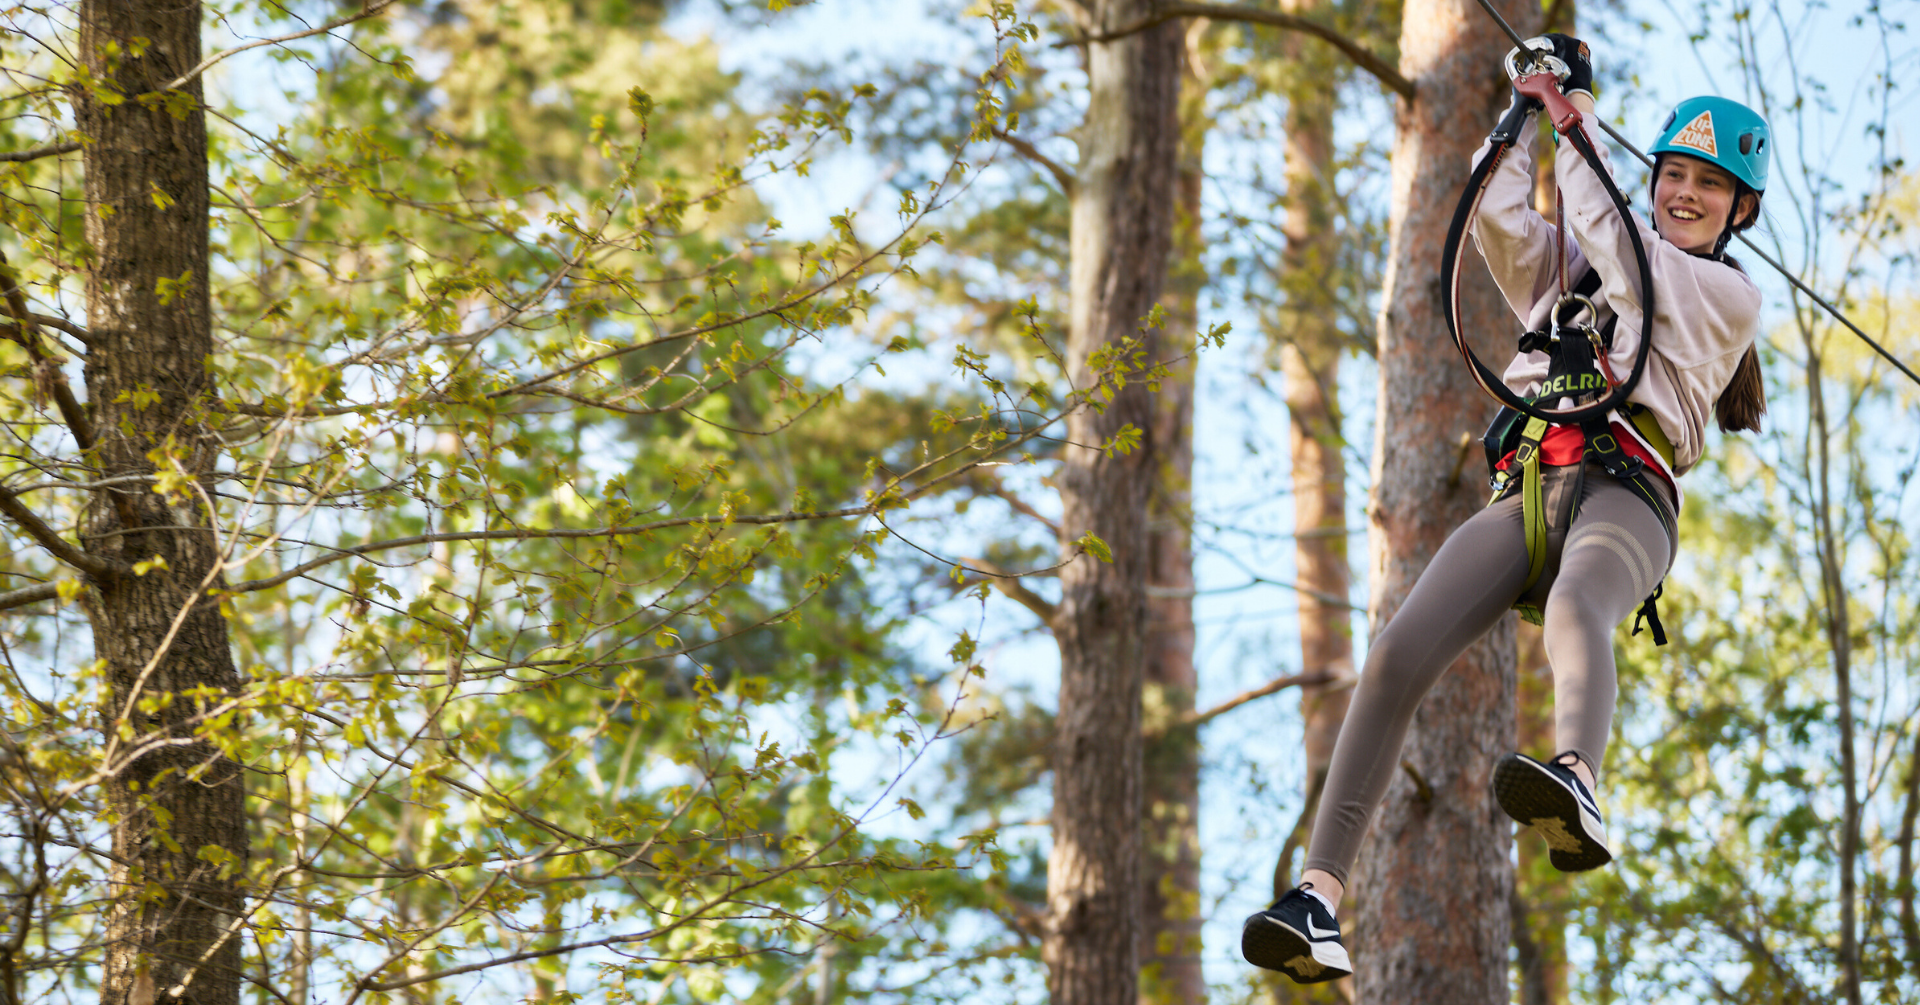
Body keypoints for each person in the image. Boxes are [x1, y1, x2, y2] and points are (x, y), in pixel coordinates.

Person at [1242, 33, 1770, 984]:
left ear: (1740, 211)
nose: (1683, 193)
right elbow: (1495, 224)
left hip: (1627, 493)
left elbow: (1622, 249)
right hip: (1528, 483)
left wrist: (1577, 120)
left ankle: (1578, 778)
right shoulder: (1581, 256)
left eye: (1709, 186)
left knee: (1578, 605)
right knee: (1398, 653)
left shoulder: (1727, 293)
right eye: (1675, 174)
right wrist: (1524, 118)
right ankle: (1317, 896)